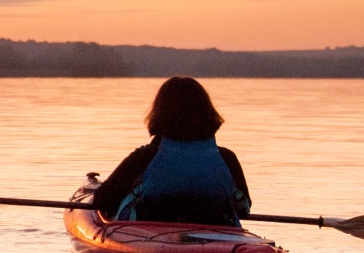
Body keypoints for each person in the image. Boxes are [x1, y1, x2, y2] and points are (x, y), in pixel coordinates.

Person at [91, 77, 252, 227]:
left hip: (150, 233)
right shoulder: (226, 158)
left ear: (159, 114)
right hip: (217, 232)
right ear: (208, 113)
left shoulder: (145, 157)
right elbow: (243, 207)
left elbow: (103, 200)